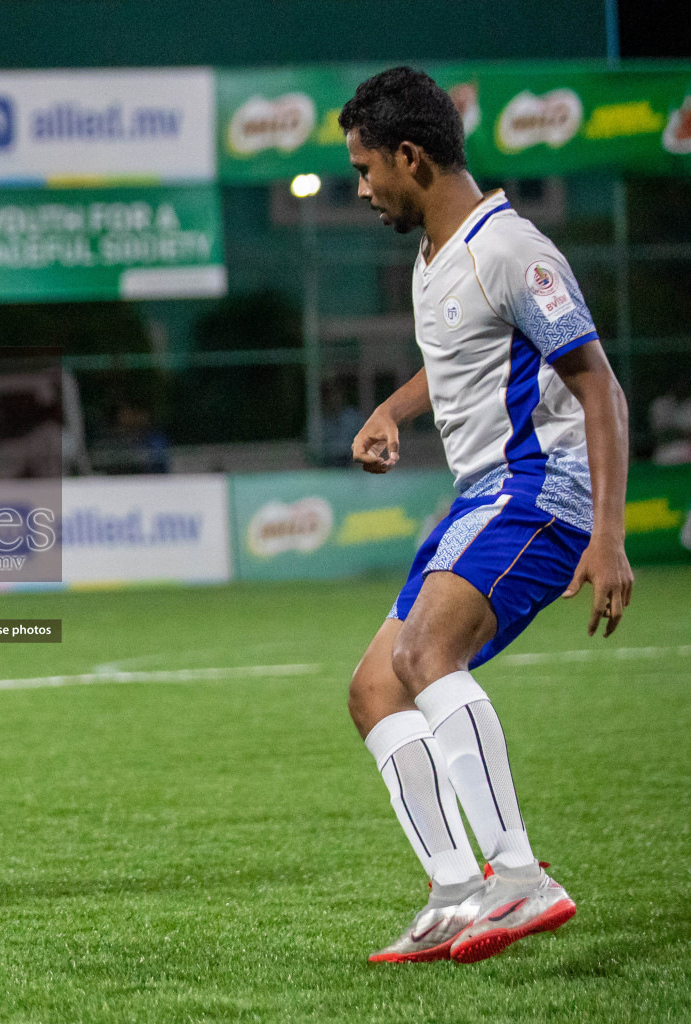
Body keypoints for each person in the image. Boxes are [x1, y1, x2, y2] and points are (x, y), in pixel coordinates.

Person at [339, 68, 632, 964]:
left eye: (365, 169)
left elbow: (600, 387)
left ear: (411, 156)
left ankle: (520, 878)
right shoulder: (437, 253)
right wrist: (392, 409)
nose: (361, 189)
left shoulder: (509, 249)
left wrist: (610, 537)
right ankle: (459, 889)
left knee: (426, 656)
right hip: (481, 495)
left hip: (539, 489)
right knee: (374, 690)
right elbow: (461, 360)